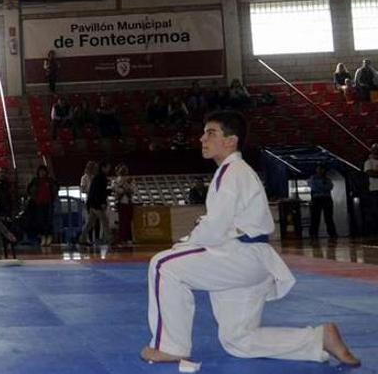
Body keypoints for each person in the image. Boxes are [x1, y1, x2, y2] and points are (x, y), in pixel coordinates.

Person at [141, 110, 360, 367]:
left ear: (231, 140)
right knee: (239, 340)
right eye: (203, 133)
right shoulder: (239, 172)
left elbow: (215, 227)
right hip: (251, 262)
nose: (202, 139)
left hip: (238, 257)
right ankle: (319, 338)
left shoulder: (231, 171)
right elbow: (222, 224)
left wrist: (184, 243)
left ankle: (170, 347)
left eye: (211, 133)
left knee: (163, 264)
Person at [27, 165, 57, 247]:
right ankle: (43, 237)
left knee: (48, 220)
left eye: (43, 171)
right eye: (40, 171)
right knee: (41, 221)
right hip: (39, 204)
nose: (42, 173)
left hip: (48, 203)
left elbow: (55, 188)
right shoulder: (35, 181)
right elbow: (29, 190)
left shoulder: (50, 181)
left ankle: (49, 236)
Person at [83, 162, 111, 245]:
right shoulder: (102, 178)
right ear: (103, 168)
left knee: (90, 222)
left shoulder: (96, 177)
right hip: (97, 203)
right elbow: (100, 192)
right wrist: (102, 202)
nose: (109, 170)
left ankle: (82, 238)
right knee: (105, 221)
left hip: (91, 202)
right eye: (108, 167)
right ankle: (109, 239)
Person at [113, 164, 135, 245]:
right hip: (122, 202)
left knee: (128, 221)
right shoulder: (116, 181)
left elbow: (133, 190)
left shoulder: (130, 180)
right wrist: (126, 188)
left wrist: (126, 188)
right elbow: (118, 190)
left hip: (128, 202)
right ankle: (122, 238)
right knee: (123, 222)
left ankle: (129, 238)